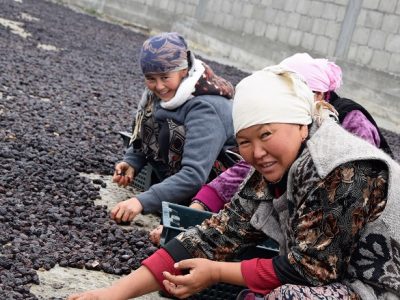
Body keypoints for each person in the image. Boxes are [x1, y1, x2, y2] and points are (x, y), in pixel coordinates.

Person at [68, 66, 400, 300]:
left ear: (301, 124)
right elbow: (213, 235)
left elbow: (310, 271)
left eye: (267, 134)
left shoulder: (341, 169)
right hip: (342, 276)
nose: (256, 152)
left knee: (289, 296)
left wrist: (215, 273)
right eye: (244, 141)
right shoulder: (273, 173)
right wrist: (113, 293)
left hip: (384, 285)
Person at [149, 52, 394, 244]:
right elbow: (244, 172)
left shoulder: (351, 126)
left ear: (319, 94)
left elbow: (347, 204)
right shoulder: (281, 133)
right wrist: (196, 212)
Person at [110, 32, 236, 223]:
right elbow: (146, 131)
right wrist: (132, 161)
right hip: (182, 177)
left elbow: (194, 175)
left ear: (183, 71)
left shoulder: (205, 107)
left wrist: (141, 202)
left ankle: (186, 209)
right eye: (151, 78)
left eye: (165, 77)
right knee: (156, 118)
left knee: (171, 129)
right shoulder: (156, 95)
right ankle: (167, 196)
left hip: (218, 189)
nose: (159, 86)